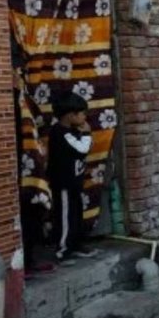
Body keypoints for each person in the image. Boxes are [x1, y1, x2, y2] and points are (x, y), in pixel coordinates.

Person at [47, 91, 97, 264]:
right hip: (63, 184)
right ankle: (63, 250)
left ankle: (75, 244)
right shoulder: (60, 133)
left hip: (74, 183)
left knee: (76, 214)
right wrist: (87, 134)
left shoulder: (73, 131)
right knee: (65, 216)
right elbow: (81, 149)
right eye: (82, 113)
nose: (84, 117)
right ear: (70, 115)